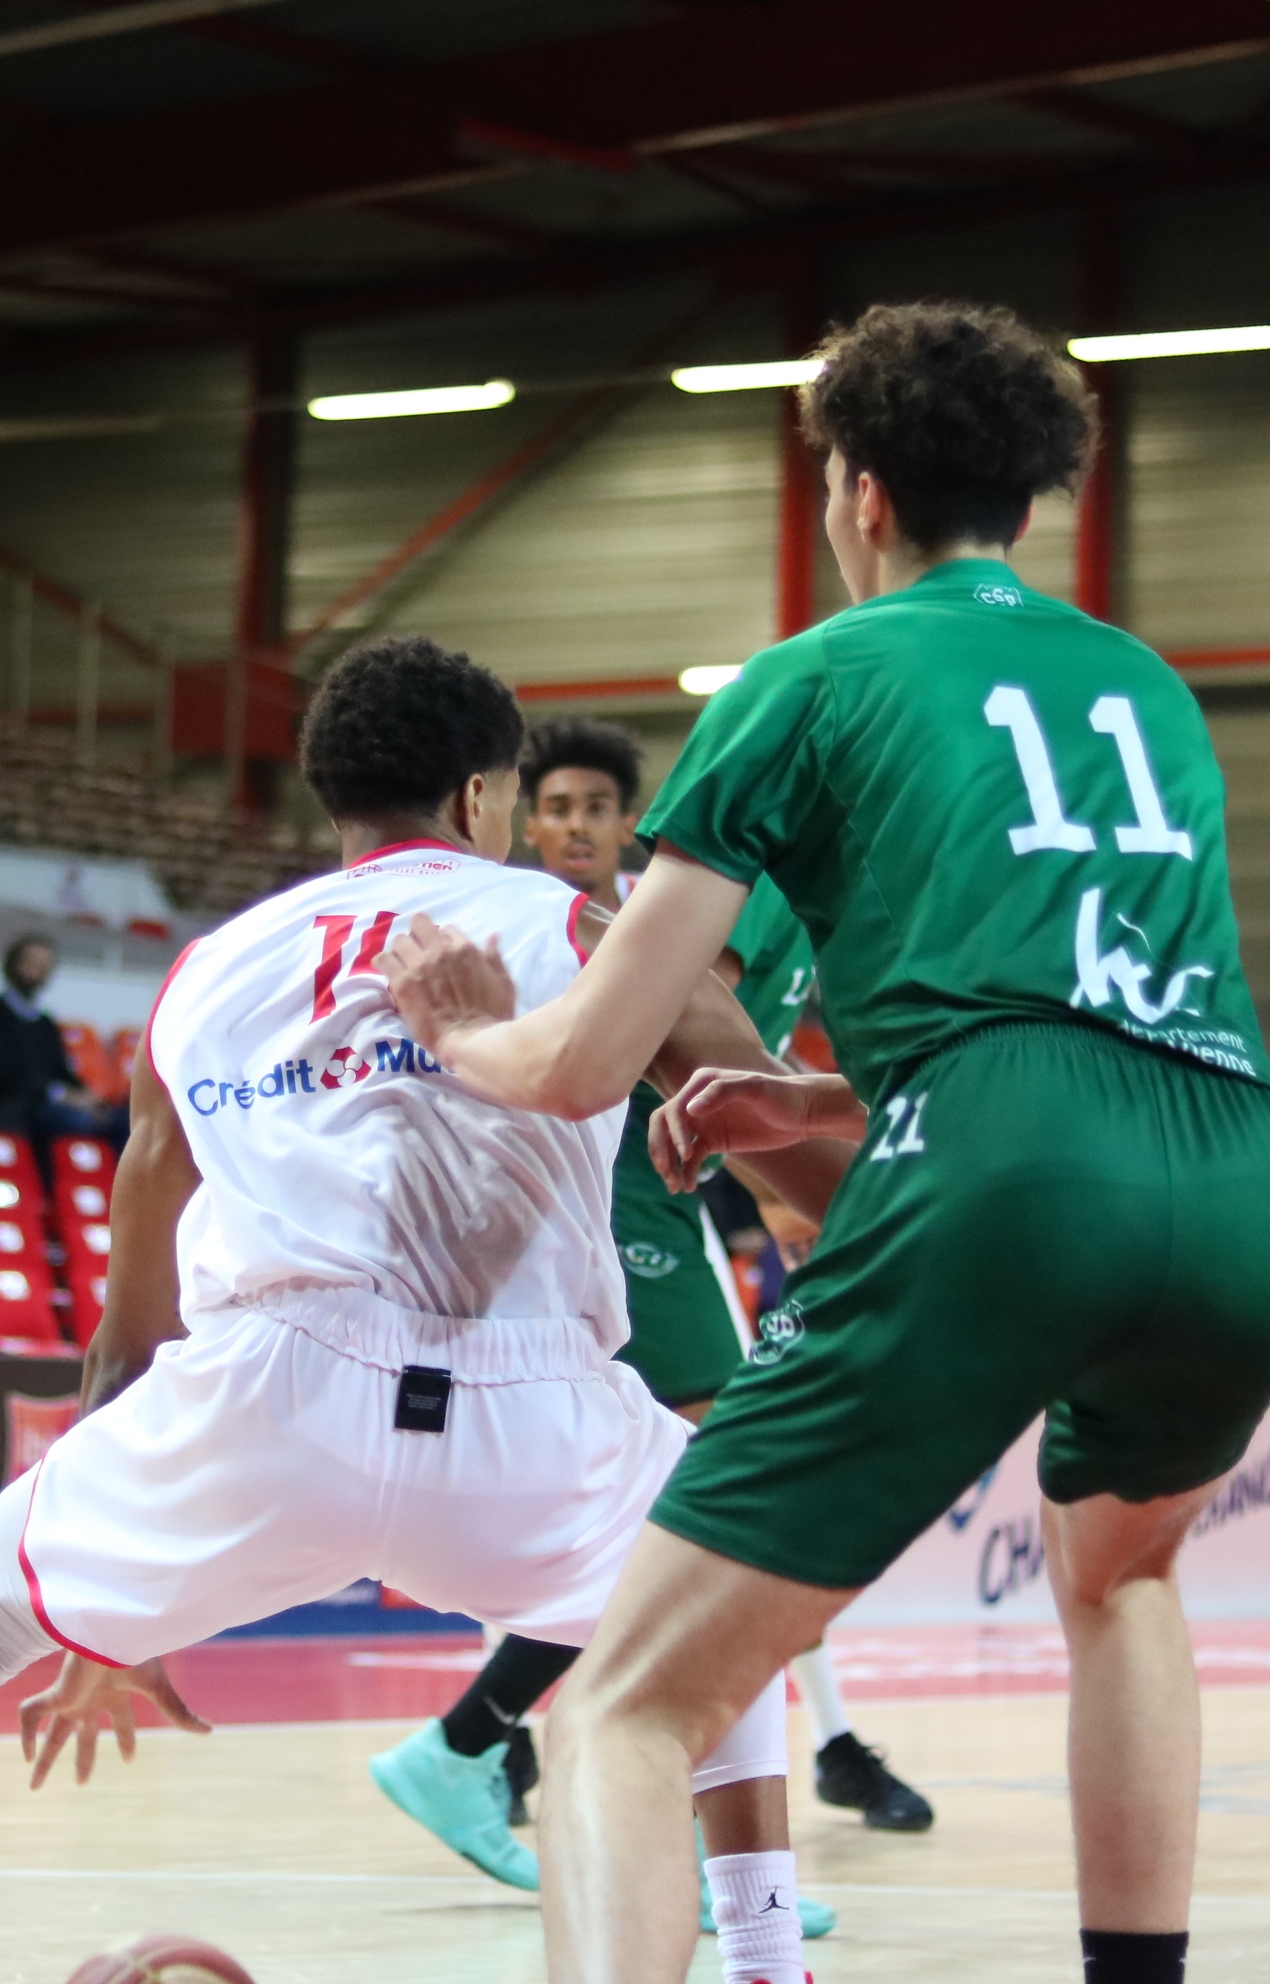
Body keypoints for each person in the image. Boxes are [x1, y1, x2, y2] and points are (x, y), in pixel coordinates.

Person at [383, 302, 1270, 1984]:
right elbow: (1097, 1000)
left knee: (620, 1703)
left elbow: (593, 1049)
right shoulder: (1150, 685)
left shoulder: (807, 678)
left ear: (862, 495)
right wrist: (837, 1107)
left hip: (1010, 1159)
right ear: (1025, 509)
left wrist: (460, 1027)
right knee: (1121, 1579)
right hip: (1245, 1166)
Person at [0, 633, 862, 1984]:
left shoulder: (203, 974)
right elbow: (828, 1182)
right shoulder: (579, 931)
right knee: (721, 1603)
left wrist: (98, 1606)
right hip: (527, 1411)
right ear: (487, 797)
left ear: (332, 798)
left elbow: (128, 1331)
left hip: (267, 1395)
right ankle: (769, 1965)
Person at [370, 716, 927, 1902]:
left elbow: (743, 1070)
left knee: (691, 1521)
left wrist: (788, 1176)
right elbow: (691, 1054)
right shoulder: (587, 915)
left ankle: (486, 1745)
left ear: (626, 823)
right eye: (553, 804)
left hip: (676, 1205)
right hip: (601, 1210)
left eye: (592, 808)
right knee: (720, 1511)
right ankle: (531, 1763)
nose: (570, 825)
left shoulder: (778, 901)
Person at [0, 935, 128, 1150]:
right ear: (13, 964)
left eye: (44, 965)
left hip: (45, 1105)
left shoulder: (45, 1022)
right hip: (7, 1109)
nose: (37, 970)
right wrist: (56, 1094)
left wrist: (87, 1097)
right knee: (76, 1121)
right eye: (31, 962)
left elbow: (61, 1072)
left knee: (121, 1122)